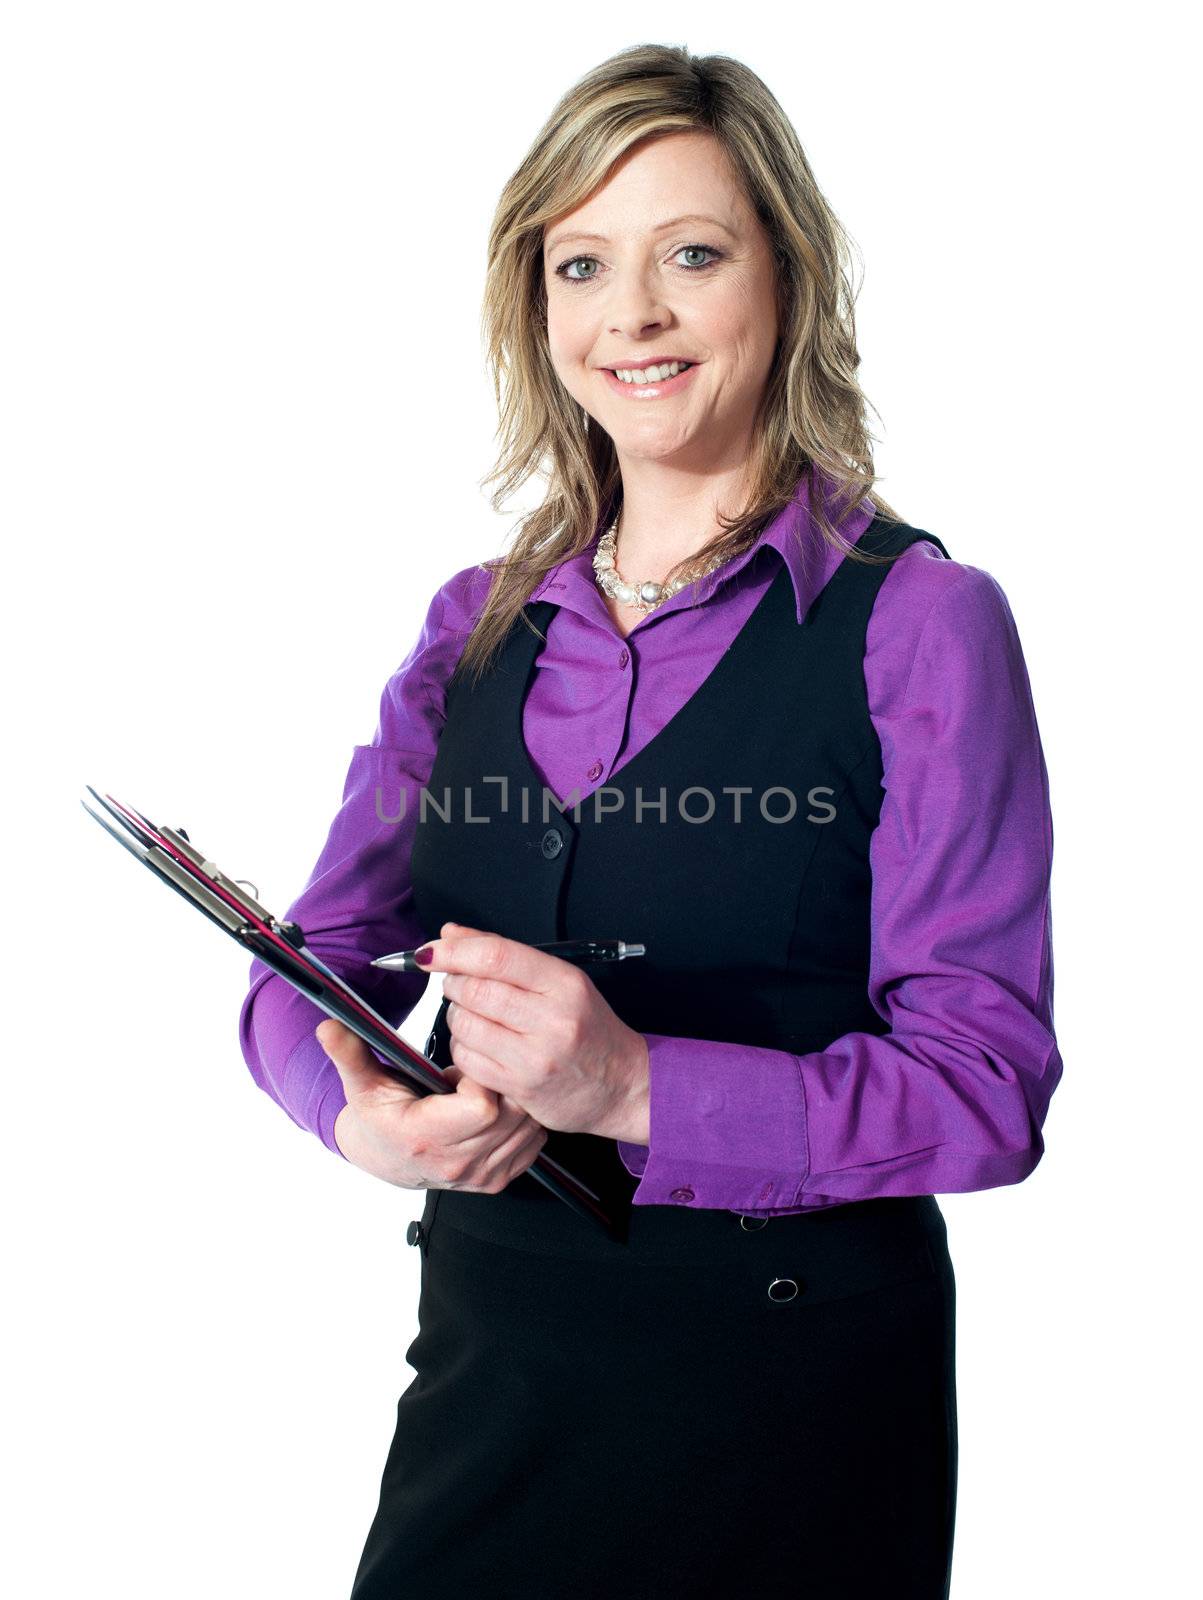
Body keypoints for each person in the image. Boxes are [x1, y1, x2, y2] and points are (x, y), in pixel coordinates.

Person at [238, 43, 1062, 1600]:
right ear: (537, 311)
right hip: (494, 1391)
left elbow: (987, 1087)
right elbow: (312, 960)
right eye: (583, 266)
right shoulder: (471, 627)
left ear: (786, 281)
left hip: (797, 1421)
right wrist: (359, 1116)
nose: (636, 315)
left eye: (693, 254)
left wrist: (632, 1085)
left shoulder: (923, 623)